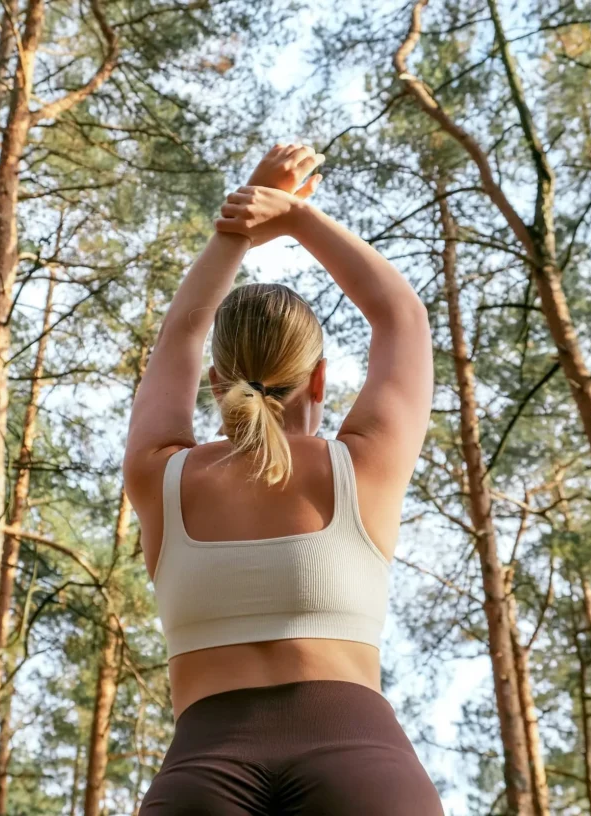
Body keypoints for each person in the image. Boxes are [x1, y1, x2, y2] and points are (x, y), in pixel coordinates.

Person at [124, 144, 443, 815]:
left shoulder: (162, 475)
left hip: (201, 780)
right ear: (319, 378)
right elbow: (402, 318)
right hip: (365, 771)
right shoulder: (362, 467)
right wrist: (296, 216)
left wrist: (233, 229)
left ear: (216, 382)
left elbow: (180, 335)